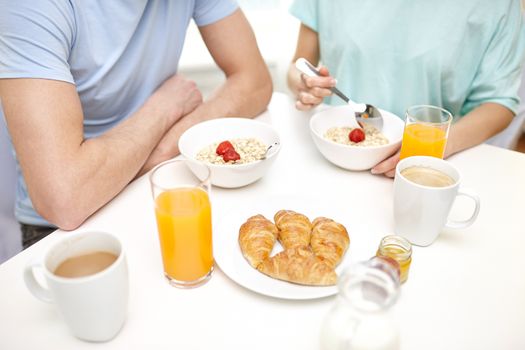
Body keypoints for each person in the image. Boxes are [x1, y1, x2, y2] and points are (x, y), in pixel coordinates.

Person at [0, 0, 272, 248]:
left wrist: (163, 149)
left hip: (154, 180)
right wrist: (164, 109)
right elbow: (65, 200)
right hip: (61, 229)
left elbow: (255, 81)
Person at [287, 0, 525, 177]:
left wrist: (438, 145)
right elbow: (297, 66)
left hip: (421, 172)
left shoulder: (498, 6)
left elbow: (500, 103)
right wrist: (305, 85)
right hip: (326, 158)